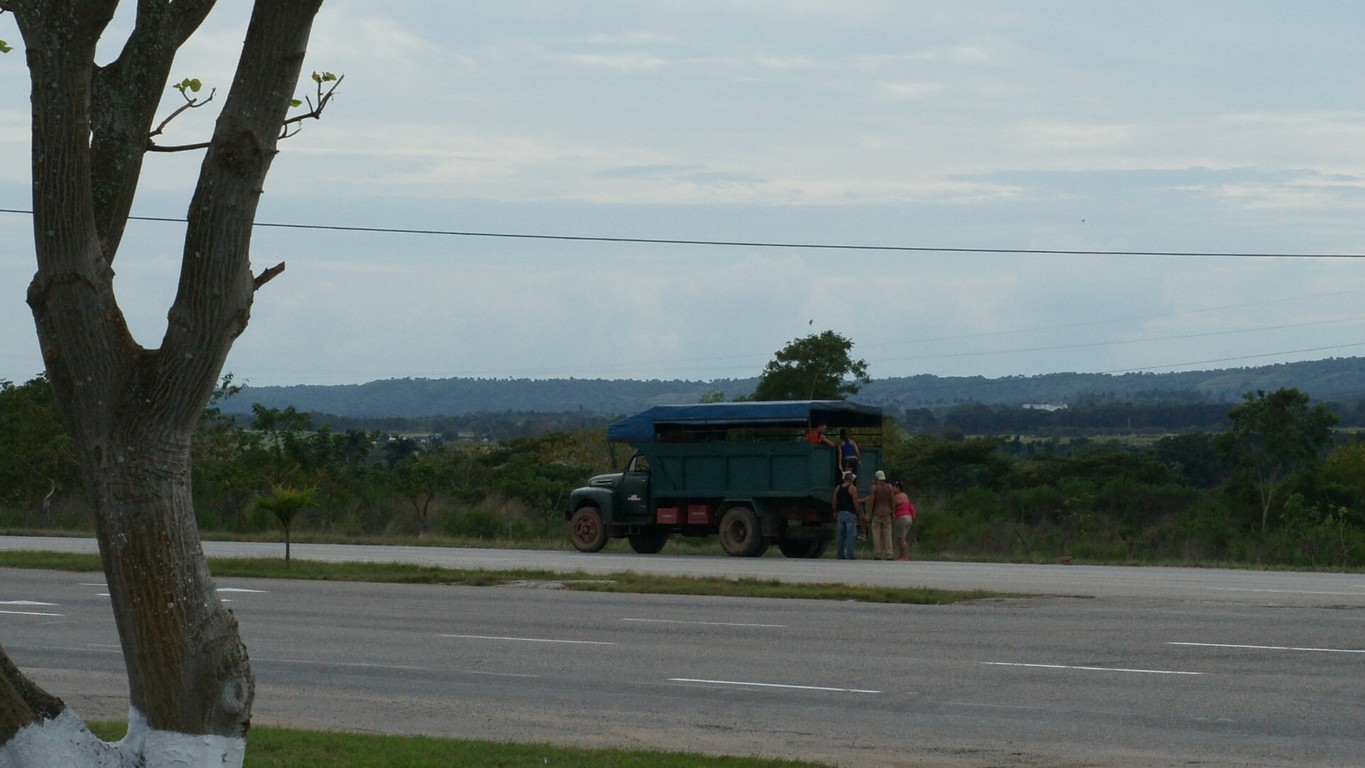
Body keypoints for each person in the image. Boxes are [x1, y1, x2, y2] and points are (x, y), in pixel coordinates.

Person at [831, 470, 862, 560]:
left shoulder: (838, 487)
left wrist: (835, 511)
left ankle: (840, 554)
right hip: (850, 513)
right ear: (851, 478)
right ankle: (850, 554)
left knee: (840, 535)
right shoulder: (852, 488)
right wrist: (858, 512)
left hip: (841, 513)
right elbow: (855, 502)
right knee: (850, 535)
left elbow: (834, 500)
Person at [865, 470, 895, 560]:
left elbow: (871, 501)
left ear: (877, 478)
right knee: (888, 534)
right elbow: (892, 500)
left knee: (876, 534)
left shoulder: (874, 488)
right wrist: (893, 512)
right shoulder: (889, 487)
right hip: (887, 513)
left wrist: (868, 514)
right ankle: (889, 554)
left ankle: (878, 554)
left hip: (877, 513)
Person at [892, 480, 916, 561]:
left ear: (898, 488)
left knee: (901, 538)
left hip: (901, 517)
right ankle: (901, 555)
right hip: (908, 517)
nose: (892, 489)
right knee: (902, 537)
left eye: (894, 487)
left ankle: (904, 556)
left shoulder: (896, 497)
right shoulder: (905, 495)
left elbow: (892, 506)